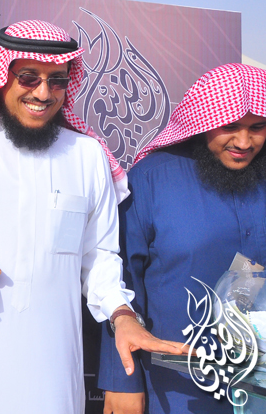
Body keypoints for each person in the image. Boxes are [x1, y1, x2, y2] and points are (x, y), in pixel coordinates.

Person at [0, 20, 186, 413]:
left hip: (51, 376)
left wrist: (122, 314)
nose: (43, 93)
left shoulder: (87, 156)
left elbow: (99, 257)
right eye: (28, 77)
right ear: (1, 76)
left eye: (57, 81)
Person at [98, 63, 266, 414]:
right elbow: (118, 282)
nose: (243, 142)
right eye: (230, 126)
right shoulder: (150, 180)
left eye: (257, 128)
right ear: (205, 121)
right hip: (177, 388)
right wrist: (122, 381)